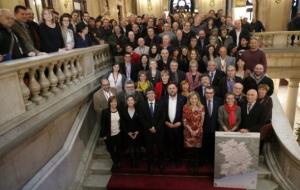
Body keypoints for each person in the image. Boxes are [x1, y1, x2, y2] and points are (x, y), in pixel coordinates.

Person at [140, 89, 165, 172]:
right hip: (147, 131)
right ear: (146, 95)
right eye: (149, 93)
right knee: (149, 149)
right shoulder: (142, 105)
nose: (150, 95)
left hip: (159, 131)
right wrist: (150, 127)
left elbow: (163, 117)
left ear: (155, 95)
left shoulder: (161, 104)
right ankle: (150, 164)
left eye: (152, 93)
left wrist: (156, 128)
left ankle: (160, 163)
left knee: (160, 148)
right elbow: (141, 118)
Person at [161, 83, 186, 163]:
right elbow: (160, 113)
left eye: (173, 88)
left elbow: (186, 113)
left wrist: (181, 122)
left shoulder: (183, 99)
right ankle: (170, 158)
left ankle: (178, 159)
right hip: (167, 125)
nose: (172, 90)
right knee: (168, 142)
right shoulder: (163, 99)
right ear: (167, 90)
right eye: (170, 88)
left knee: (178, 143)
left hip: (179, 125)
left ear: (177, 89)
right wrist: (165, 122)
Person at [183, 91, 205, 171]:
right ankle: (190, 165)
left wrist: (197, 130)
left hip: (198, 131)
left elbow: (202, 121)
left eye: (195, 98)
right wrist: (191, 130)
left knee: (196, 150)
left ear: (198, 99)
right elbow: (184, 120)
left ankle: (196, 165)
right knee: (189, 150)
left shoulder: (201, 107)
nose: (194, 100)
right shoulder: (185, 107)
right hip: (188, 131)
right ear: (189, 99)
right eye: (192, 98)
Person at [100, 96, 122, 170]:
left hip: (118, 134)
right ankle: (115, 162)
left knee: (119, 149)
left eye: (115, 101)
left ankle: (118, 161)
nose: (114, 103)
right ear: (109, 103)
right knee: (111, 150)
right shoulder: (105, 112)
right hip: (109, 135)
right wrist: (104, 135)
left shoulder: (120, 110)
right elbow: (102, 124)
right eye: (112, 102)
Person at [121, 96, 142, 167]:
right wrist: (128, 132)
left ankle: (137, 161)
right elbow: (122, 123)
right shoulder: (123, 111)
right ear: (126, 102)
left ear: (134, 101)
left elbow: (141, 122)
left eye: (132, 100)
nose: (130, 102)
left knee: (137, 148)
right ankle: (132, 161)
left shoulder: (139, 110)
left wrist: (137, 131)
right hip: (128, 133)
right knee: (131, 149)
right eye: (128, 100)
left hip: (137, 133)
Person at [202, 86, 221, 164]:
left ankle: (212, 162)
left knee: (214, 146)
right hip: (204, 128)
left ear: (213, 93)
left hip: (215, 128)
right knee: (204, 146)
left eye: (211, 93)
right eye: (207, 93)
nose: (209, 95)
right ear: (204, 93)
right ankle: (204, 160)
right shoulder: (200, 101)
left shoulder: (219, 101)